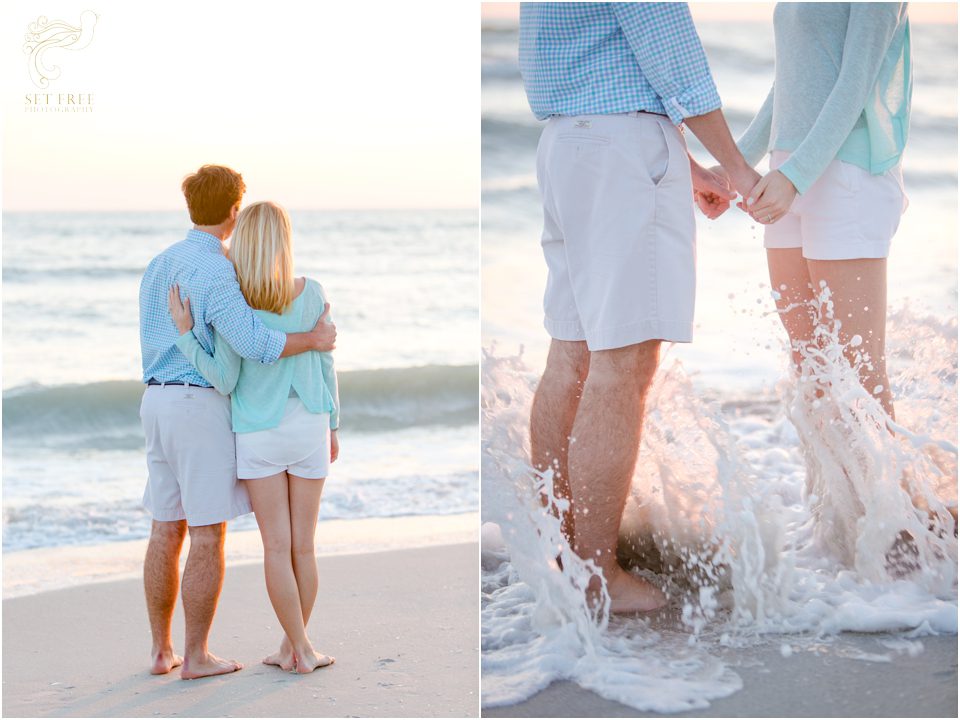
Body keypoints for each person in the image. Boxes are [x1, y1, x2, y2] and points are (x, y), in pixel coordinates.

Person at [518, 1, 760, 613]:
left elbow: (595, 63)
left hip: (565, 145)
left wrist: (687, 164)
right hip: (622, 150)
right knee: (620, 369)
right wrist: (736, 166)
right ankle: (598, 579)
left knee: (570, 358)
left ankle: (568, 562)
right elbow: (671, 52)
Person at [139, 165, 336, 679]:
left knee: (166, 526)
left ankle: (162, 651)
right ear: (232, 212)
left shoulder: (159, 264)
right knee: (207, 533)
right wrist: (313, 342)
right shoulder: (219, 272)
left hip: (154, 402)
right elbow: (253, 347)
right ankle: (198, 655)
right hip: (197, 405)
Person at [726, 3, 911, 425]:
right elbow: (791, 82)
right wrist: (735, 164)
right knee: (811, 371)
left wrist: (795, 176)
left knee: (858, 373)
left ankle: (888, 493)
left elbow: (855, 84)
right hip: (789, 170)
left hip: (847, 173)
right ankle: (826, 494)